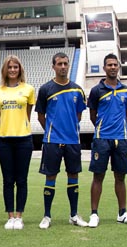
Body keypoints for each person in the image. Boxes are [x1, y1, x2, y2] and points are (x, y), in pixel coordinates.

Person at [35, 52, 88, 229]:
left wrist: (68, 128)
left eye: (65, 63)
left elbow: (78, 115)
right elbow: (41, 116)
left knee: (73, 175)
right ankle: (47, 216)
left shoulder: (78, 90)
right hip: (52, 140)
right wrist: (53, 130)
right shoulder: (45, 89)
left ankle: (73, 215)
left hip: (73, 140)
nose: (63, 67)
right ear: (53, 66)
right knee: (51, 176)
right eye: (59, 64)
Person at [87, 53, 127, 227]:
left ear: (118, 67)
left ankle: (122, 213)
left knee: (120, 177)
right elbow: (93, 115)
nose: (113, 67)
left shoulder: (126, 91)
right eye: (109, 65)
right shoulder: (96, 91)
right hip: (102, 139)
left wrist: (117, 129)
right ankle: (94, 214)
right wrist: (104, 128)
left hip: (121, 139)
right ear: (104, 68)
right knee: (98, 176)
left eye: (115, 65)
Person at [0, 55, 35, 230]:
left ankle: (19, 216)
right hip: (4, 139)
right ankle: (10, 216)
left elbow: (28, 113)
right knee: (8, 180)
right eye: (9, 67)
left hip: (24, 139)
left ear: (20, 69)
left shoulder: (29, 89)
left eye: (15, 67)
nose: (12, 70)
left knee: (21, 179)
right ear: (5, 70)